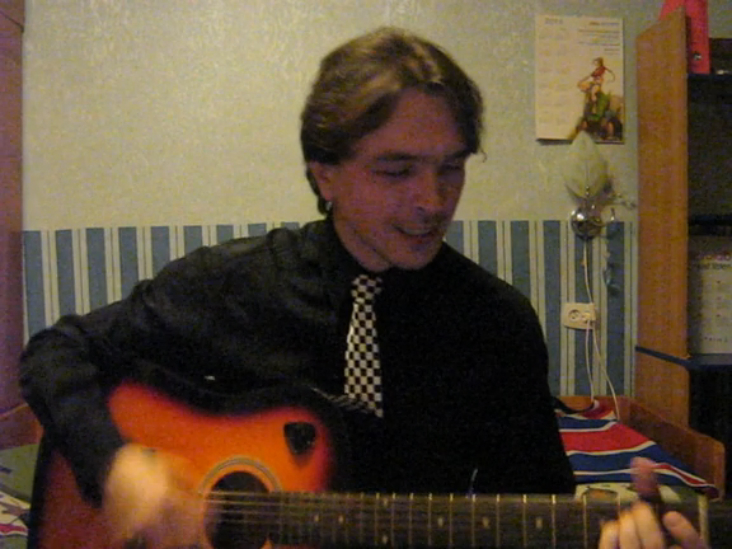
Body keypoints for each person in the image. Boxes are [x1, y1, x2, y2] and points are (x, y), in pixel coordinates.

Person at [19, 27, 698, 548]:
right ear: (325, 174)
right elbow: (56, 351)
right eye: (396, 171)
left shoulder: (497, 323)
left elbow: (538, 507)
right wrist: (115, 466)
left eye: (451, 168)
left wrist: (617, 536)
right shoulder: (234, 284)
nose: (433, 201)